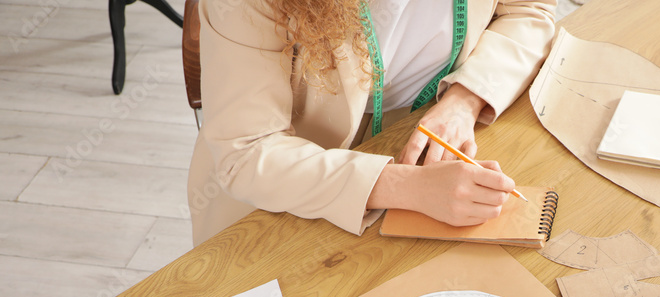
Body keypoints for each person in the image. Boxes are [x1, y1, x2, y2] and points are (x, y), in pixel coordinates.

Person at [188, 0, 557, 245]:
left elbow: (529, 8)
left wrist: (464, 99)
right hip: (282, 186)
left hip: (411, 132)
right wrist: (407, 187)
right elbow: (248, 150)